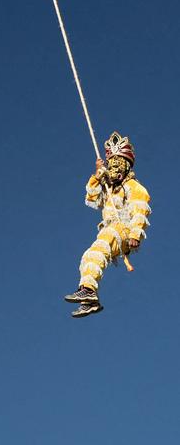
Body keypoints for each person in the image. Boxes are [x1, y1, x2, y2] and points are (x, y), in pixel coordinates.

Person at [65, 131, 150, 317]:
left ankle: (88, 291)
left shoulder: (133, 187)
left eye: (118, 165)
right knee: (90, 256)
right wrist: (97, 176)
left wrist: (135, 234)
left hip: (123, 227)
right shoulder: (109, 189)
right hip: (110, 228)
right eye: (112, 166)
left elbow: (140, 209)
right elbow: (92, 198)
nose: (115, 170)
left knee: (99, 249)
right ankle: (89, 295)